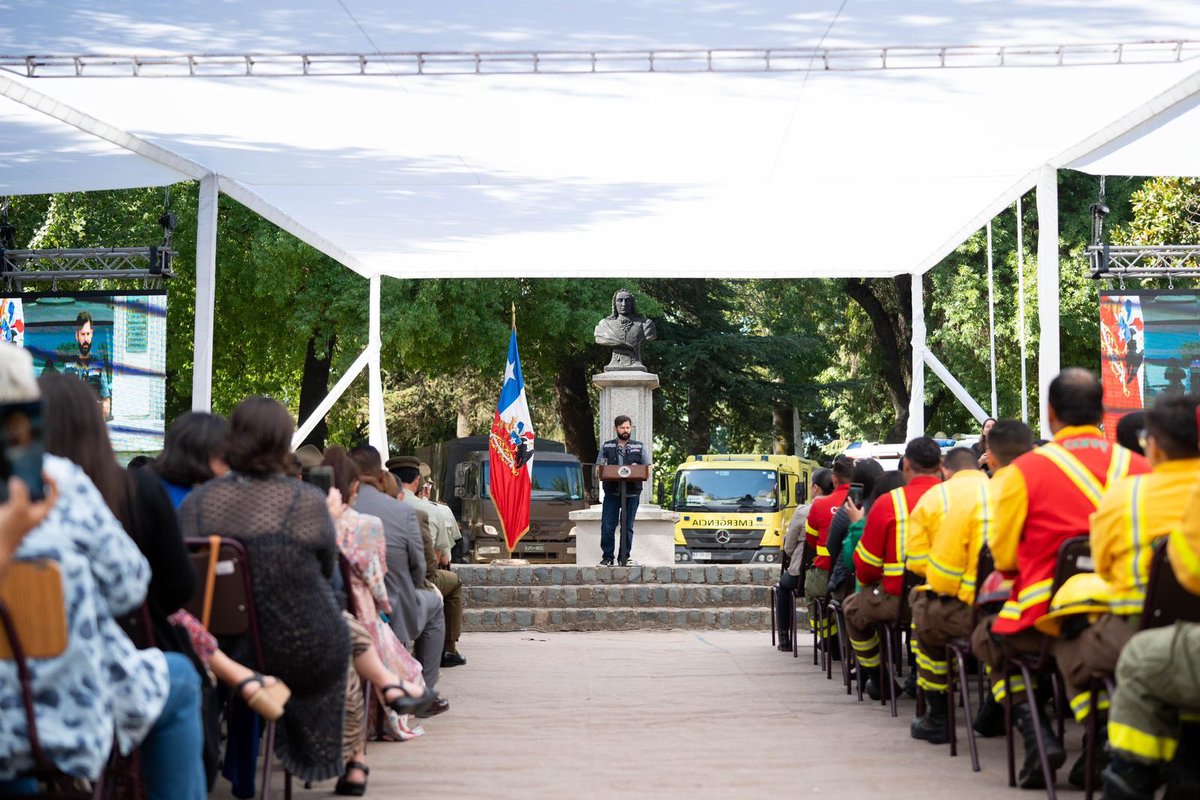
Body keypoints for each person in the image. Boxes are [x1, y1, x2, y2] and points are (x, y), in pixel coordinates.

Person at [0, 344, 205, 800]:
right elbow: (130, 587)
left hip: (10, 722)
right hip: (64, 714)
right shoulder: (59, 480)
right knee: (182, 678)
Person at [971, 368, 1149, 789]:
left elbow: (1006, 559)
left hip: (1043, 616)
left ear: (1051, 414)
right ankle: (1098, 739)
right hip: (1131, 614)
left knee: (989, 639)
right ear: (1101, 411)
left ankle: (1038, 737)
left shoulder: (1021, 473)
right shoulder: (1141, 467)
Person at [177, 396, 351, 784]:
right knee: (334, 607)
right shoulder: (307, 501)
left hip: (219, 646)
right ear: (283, 441)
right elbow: (326, 574)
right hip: (302, 646)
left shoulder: (199, 502)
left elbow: (181, 574)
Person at [1035, 393, 1200, 787]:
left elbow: (1104, 566)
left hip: (1138, 633)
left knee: (1066, 639)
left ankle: (1108, 737)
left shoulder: (1126, 496)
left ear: (1154, 445)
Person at [1101, 470, 1200, 800]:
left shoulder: (1125, 494)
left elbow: (1189, 571)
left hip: (1138, 624)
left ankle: (1132, 775)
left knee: (1141, 655)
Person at [350, 445, 450, 717]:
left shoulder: (333, 508)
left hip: (343, 611)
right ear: (381, 476)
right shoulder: (401, 512)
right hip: (390, 609)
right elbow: (419, 569)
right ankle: (424, 692)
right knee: (436, 605)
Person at [844, 437, 943, 700]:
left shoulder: (889, 503)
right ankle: (924, 679)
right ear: (940, 465)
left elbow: (864, 568)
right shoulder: (957, 498)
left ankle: (879, 679)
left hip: (899, 603)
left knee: (852, 609)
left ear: (906, 465)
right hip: (951, 600)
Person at [907, 446, 990, 744]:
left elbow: (919, 562)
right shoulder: (1004, 492)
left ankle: (938, 714)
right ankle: (998, 706)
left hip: (967, 611)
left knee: (924, 616)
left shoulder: (937, 498)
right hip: (1013, 606)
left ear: (945, 470)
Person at [390, 455, 466, 668]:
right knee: (453, 582)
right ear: (418, 483)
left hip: (381, 579)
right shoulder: (432, 510)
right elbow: (439, 559)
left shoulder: (373, 505)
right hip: (417, 580)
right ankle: (447, 650)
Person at [775, 468, 833, 651]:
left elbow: (789, 547)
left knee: (783, 588)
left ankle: (784, 638)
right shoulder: (844, 507)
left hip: (802, 574)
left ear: (815, 488)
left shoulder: (804, 511)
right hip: (834, 573)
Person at [804, 456, 854, 653]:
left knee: (812, 593)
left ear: (834, 479)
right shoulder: (869, 501)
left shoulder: (819, 505)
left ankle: (827, 638)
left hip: (825, 571)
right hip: (860, 571)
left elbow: (811, 540)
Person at [598, 415, 649, 566]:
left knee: (627, 526)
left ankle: (624, 557)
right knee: (608, 526)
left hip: (632, 493)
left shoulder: (639, 446)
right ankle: (608, 557)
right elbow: (598, 468)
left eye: (628, 428)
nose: (625, 431)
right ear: (615, 429)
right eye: (622, 428)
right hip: (612, 493)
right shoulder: (607, 446)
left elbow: (648, 468)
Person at [61, 310, 112, 419]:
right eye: (82, 334)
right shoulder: (68, 366)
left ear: (92, 334)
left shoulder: (99, 366)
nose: (85, 339)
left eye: (88, 334)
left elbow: (107, 406)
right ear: (77, 336)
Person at [593, 289, 657, 371]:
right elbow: (599, 339)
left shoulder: (646, 324)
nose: (624, 304)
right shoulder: (605, 325)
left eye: (627, 301)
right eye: (620, 300)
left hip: (637, 365)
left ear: (632, 304)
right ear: (615, 304)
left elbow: (651, 336)